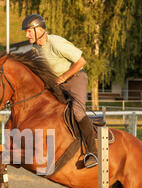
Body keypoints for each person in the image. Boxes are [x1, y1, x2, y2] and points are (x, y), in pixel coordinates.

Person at [22, 14, 98, 168]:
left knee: (77, 112)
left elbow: (81, 61)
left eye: (29, 31)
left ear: (39, 30)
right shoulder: (36, 49)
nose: (26, 34)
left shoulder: (56, 42)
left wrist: (63, 77)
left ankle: (93, 152)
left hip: (76, 78)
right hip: (58, 83)